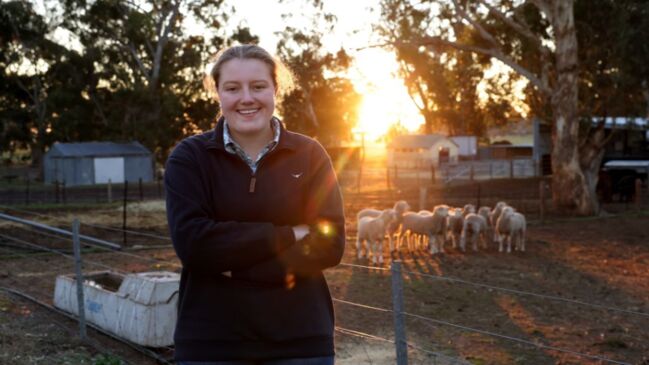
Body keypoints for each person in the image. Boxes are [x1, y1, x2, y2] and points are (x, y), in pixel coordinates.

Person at [164, 44, 346, 365]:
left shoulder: (310, 155)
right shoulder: (189, 158)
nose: (246, 98)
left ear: (275, 90)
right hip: (211, 343)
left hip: (301, 342)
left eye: (258, 86)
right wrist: (290, 235)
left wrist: (233, 266)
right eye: (233, 88)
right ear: (218, 93)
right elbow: (194, 245)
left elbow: (330, 244)